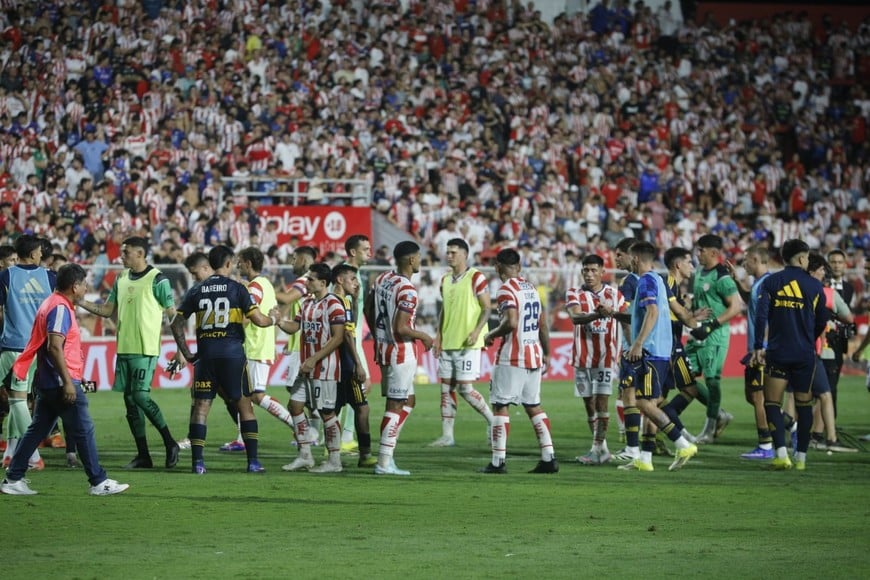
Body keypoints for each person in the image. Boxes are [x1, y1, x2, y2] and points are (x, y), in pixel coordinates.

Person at [0, 263, 129, 496]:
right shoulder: (59, 308)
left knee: (36, 431)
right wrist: (68, 381)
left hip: (49, 380)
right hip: (60, 382)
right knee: (84, 429)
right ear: (75, 286)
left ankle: (13, 479)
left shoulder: (52, 303)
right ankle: (98, 482)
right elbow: (54, 346)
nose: (86, 288)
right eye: (84, 284)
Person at [169, 245, 280, 474]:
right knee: (245, 406)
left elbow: (176, 323)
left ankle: (198, 463)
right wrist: (273, 319)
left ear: (210, 264)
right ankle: (253, 462)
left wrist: (187, 353)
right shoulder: (238, 289)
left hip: (206, 357)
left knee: (201, 407)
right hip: (232, 357)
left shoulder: (197, 290)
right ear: (228, 263)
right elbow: (259, 320)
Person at [78, 237, 181, 469]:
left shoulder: (158, 279)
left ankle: (170, 442)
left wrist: (180, 350)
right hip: (124, 348)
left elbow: (173, 315)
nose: (121, 257)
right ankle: (143, 455)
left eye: (126, 253)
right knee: (130, 403)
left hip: (146, 349)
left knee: (140, 396)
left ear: (140, 253)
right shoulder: (121, 278)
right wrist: (81, 302)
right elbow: (107, 310)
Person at [612, 241, 698, 472]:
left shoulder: (647, 281)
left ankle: (682, 443)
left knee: (641, 401)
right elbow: (651, 314)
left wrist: (638, 343)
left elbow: (653, 311)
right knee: (650, 402)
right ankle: (646, 458)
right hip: (660, 350)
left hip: (650, 350)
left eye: (628, 257)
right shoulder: (659, 280)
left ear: (635, 258)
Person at [751, 239, 828, 471]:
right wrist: (809, 337)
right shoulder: (815, 286)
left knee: (772, 403)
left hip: (778, 352)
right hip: (804, 353)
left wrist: (758, 345)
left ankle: (781, 455)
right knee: (804, 404)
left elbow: (761, 316)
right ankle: (801, 458)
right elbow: (822, 321)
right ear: (802, 258)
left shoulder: (772, 282)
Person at [479, 247, 558, 474]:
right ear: (519, 266)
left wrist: (491, 334)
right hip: (534, 355)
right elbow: (542, 324)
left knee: (500, 405)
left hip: (512, 356)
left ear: (497, 267)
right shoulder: (531, 288)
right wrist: (547, 353)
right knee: (533, 406)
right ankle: (548, 457)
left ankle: (498, 462)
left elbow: (511, 322)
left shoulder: (506, 290)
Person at [364, 240, 434, 476]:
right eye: (419, 257)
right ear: (412, 260)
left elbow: (367, 309)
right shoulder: (408, 290)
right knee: (394, 406)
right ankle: (384, 462)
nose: (420, 261)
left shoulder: (383, 278)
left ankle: (388, 447)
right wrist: (424, 336)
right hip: (401, 353)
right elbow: (401, 327)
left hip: (384, 349)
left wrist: (378, 336)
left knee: (408, 401)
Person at [276, 262, 346, 473]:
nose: (306, 282)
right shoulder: (307, 302)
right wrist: (279, 321)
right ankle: (305, 455)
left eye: (310, 279)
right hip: (306, 366)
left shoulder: (334, 304)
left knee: (326, 412)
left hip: (324, 368)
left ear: (323, 283)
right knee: (294, 406)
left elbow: (338, 337)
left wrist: (314, 359)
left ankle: (334, 460)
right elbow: (295, 327)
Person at [429, 237, 494, 448]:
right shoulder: (445, 280)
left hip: (468, 342)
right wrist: (439, 336)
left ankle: (493, 421)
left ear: (465, 254)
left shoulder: (476, 277)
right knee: (446, 389)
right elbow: (444, 310)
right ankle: (447, 436)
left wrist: (477, 331)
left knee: (465, 389)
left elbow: (487, 307)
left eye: (453, 252)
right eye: (447, 252)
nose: (449, 256)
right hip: (448, 340)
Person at [0, 236, 55, 470]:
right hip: (38, 348)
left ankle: (33, 456)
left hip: (13, 346)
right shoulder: (50, 278)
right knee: (18, 398)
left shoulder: (6, 276)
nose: (42, 255)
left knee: (17, 400)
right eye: (40, 251)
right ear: (33, 254)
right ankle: (11, 452)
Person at [565, 254, 623, 465]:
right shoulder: (574, 293)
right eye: (586, 270)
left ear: (602, 272)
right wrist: (600, 314)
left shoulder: (614, 294)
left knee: (601, 402)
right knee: (589, 404)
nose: (589, 274)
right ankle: (603, 449)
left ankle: (595, 450)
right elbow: (575, 317)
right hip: (582, 358)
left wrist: (613, 313)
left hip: (606, 357)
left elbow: (626, 318)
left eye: (593, 270)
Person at [686, 234, 743, 443]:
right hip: (697, 335)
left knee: (712, 381)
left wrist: (711, 325)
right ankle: (720, 414)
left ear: (713, 252)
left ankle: (709, 430)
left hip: (714, 336)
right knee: (684, 378)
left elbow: (735, 307)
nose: (697, 254)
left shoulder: (722, 277)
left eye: (700, 250)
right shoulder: (698, 273)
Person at [725, 245, 774, 460]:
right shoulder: (757, 284)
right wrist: (737, 281)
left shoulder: (768, 284)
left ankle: (765, 445)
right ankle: (790, 425)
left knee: (757, 396)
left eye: (746, 260)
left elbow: (771, 318)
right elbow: (749, 300)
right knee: (752, 396)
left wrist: (762, 347)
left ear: (755, 259)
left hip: (761, 350)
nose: (743, 264)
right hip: (755, 348)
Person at [332, 263, 376, 467]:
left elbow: (352, 328)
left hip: (338, 365)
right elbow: (347, 335)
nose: (356, 283)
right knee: (360, 408)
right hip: (344, 365)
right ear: (340, 280)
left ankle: (331, 455)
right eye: (352, 279)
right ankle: (363, 455)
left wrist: (357, 303)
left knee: (335, 410)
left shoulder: (342, 302)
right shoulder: (338, 303)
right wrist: (358, 363)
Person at [337, 234, 373, 452]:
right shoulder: (345, 275)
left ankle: (344, 437)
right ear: (353, 252)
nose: (370, 253)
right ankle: (341, 438)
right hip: (349, 341)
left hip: (355, 338)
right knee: (353, 389)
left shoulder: (356, 274)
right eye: (365, 249)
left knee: (357, 389)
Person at [822, 249, 855, 414]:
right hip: (823, 339)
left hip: (840, 342)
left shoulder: (849, 288)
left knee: (833, 383)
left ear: (845, 265)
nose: (836, 265)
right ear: (827, 265)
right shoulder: (821, 286)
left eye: (840, 262)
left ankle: (830, 422)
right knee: (824, 384)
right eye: (833, 262)